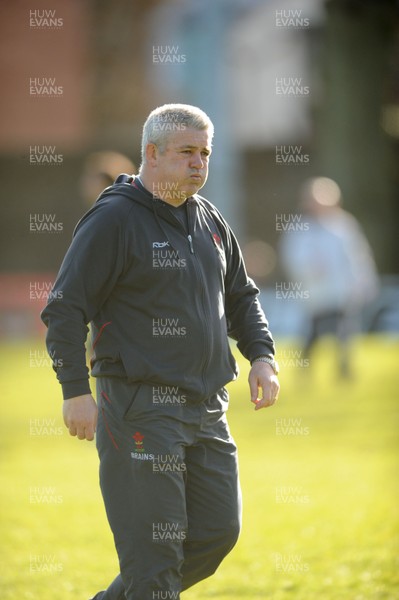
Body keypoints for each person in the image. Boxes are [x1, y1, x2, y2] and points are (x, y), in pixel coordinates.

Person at [41, 103, 280, 600]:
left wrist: (262, 355)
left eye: (206, 153)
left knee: (216, 535)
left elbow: (241, 296)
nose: (199, 163)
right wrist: (73, 391)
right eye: (187, 152)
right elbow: (64, 310)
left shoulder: (210, 219)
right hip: (139, 409)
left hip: (209, 408)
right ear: (151, 153)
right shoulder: (112, 219)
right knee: (154, 557)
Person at [279, 176, 378, 377]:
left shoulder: (344, 225)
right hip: (316, 292)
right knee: (314, 331)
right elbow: (292, 257)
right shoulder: (300, 229)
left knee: (345, 331)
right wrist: (309, 270)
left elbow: (359, 256)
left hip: (342, 290)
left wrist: (365, 281)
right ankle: (304, 368)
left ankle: (344, 369)